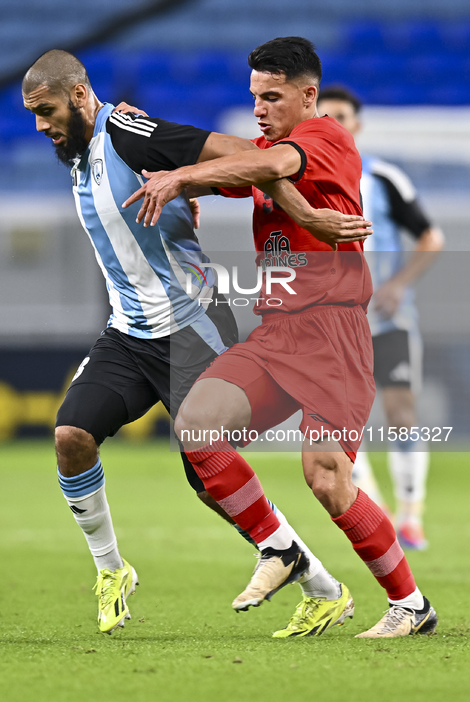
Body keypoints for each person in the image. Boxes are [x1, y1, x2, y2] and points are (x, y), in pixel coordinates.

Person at [21, 50, 369, 637]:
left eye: (47, 110)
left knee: (212, 480)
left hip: (192, 324)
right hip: (130, 331)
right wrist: (183, 194)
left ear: (80, 96)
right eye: (33, 114)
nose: (40, 125)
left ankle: (321, 586)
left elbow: (252, 157)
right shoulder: (79, 153)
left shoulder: (127, 130)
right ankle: (112, 570)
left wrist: (306, 213)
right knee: (71, 437)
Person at [125, 37, 438, 638]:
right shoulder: (272, 148)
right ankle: (279, 548)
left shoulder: (327, 139)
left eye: (272, 96)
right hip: (277, 334)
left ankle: (410, 605)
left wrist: (185, 174)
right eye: (254, 98)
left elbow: (267, 167)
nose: (259, 109)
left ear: (308, 94)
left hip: (334, 336)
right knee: (196, 424)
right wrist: (178, 181)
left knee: (326, 478)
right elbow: (244, 169)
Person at [317, 87, 445, 550]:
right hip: (334, 326)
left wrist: (397, 284)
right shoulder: (301, 178)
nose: (335, 123)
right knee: (344, 421)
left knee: (401, 412)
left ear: (357, 125)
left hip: (389, 320)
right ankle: (381, 514)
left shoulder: (384, 177)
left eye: (342, 117)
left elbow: (430, 236)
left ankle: (412, 513)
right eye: (325, 117)